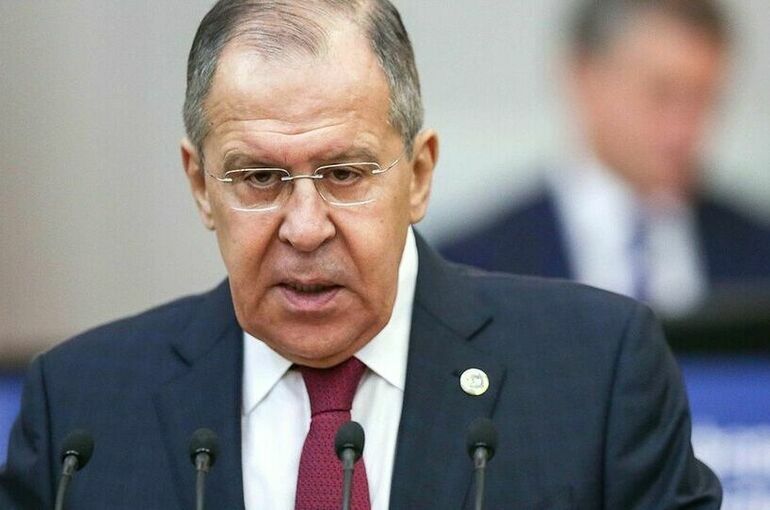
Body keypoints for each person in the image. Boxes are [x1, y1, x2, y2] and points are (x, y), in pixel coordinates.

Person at [0, 1, 720, 508]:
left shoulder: (595, 374)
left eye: (344, 174)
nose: (305, 228)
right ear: (201, 186)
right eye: (259, 178)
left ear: (420, 175)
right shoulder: (82, 412)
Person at [441, 0, 770, 318]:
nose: (683, 128)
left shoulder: (757, 252)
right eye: (661, 94)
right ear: (584, 77)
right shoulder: (470, 268)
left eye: (704, 99)